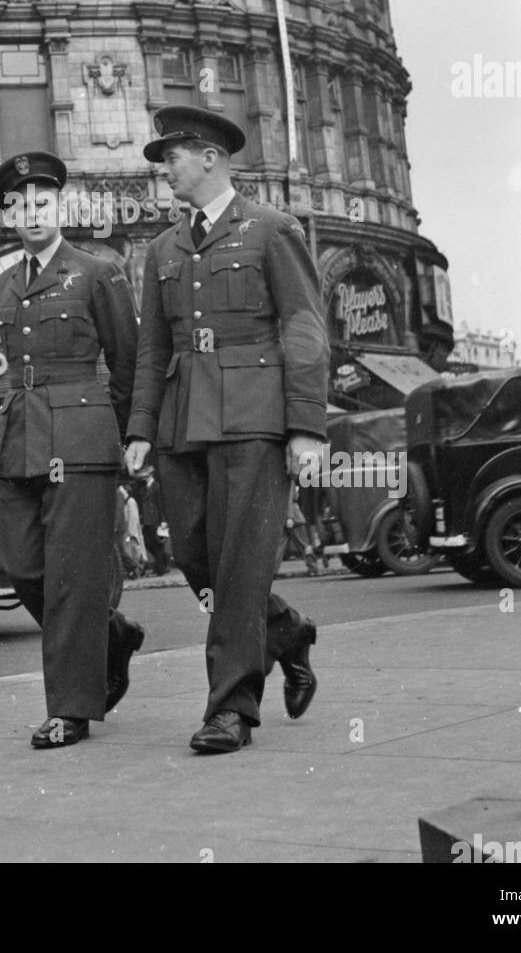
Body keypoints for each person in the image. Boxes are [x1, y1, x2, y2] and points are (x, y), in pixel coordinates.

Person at [124, 106, 327, 754]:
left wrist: (305, 428)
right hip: (184, 425)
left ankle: (230, 710)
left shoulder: (270, 230)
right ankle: (286, 631)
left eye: (172, 157)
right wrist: (138, 429)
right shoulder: (162, 248)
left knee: (239, 568)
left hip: (253, 420)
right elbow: (151, 352)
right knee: (195, 558)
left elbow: (303, 330)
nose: (165, 170)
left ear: (209, 156)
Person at [0, 150, 145, 749]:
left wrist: (132, 439)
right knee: (21, 563)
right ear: (7, 216)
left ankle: (71, 710)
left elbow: (126, 364)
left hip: (81, 435)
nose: (31, 212)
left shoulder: (97, 272)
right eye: (19, 204)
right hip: (22, 435)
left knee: (74, 577)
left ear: (61, 206)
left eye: (41, 202)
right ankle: (111, 635)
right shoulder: (3, 287)